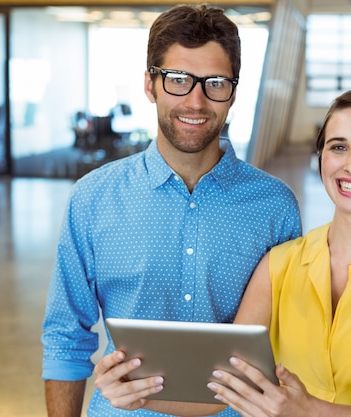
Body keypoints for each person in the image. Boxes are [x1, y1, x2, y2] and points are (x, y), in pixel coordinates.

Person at [94, 88, 351, 417]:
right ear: (321, 158)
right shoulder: (278, 264)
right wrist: (138, 394)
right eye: (338, 147)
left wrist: (308, 411)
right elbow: (223, 387)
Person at [41, 4, 302, 417]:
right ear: (151, 84)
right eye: (178, 80)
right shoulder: (92, 199)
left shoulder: (274, 207)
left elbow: (290, 340)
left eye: (214, 82)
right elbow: (64, 337)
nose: (196, 101)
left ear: (233, 91)